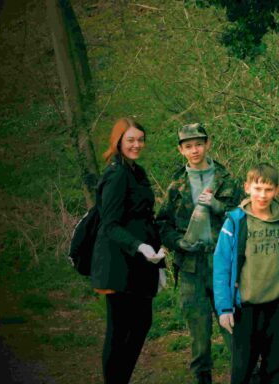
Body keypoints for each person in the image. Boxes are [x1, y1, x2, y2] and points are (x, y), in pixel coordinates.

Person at [156, 123, 243, 384]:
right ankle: (202, 379)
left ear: (208, 144)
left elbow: (244, 217)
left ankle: (246, 376)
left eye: (198, 144)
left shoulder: (227, 179)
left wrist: (218, 206)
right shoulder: (176, 186)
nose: (194, 150)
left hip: (223, 264)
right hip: (191, 268)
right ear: (181, 150)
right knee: (199, 336)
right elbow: (161, 224)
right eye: (188, 146)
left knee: (234, 330)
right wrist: (178, 243)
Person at [213, 163, 279, 384]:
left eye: (268, 189)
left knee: (275, 366)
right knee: (243, 368)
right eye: (257, 189)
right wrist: (224, 308)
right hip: (245, 306)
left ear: (277, 190)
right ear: (247, 187)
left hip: (278, 304)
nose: (262, 195)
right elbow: (221, 267)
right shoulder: (235, 222)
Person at [90, 117, 166, 384]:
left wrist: (159, 265)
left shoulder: (137, 172)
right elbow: (109, 225)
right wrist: (139, 246)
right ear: (119, 141)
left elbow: (146, 218)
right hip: (118, 265)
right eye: (131, 140)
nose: (136, 145)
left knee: (142, 323)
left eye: (140, 140)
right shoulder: (116, 174)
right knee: (120, 330)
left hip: (142, 264)